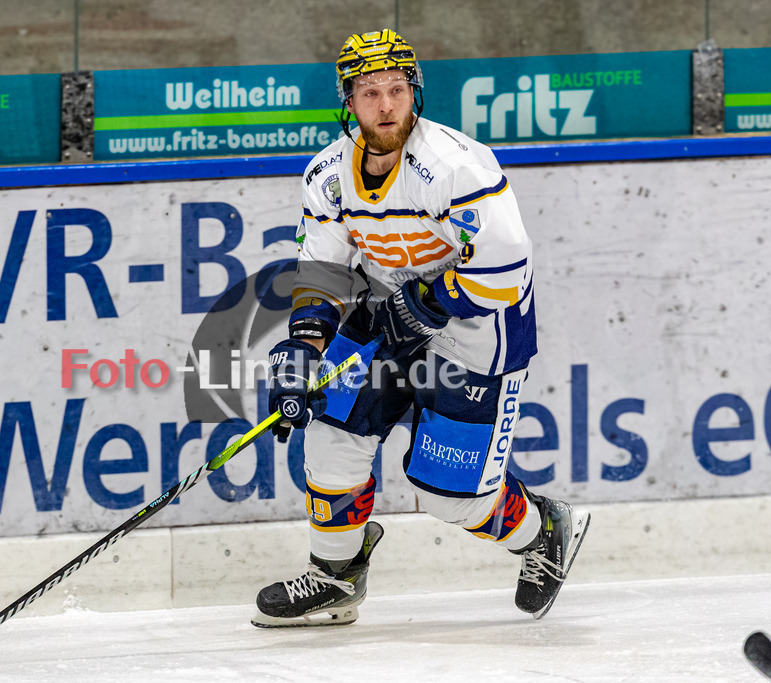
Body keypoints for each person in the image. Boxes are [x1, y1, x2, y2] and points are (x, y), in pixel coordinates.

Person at [253, 29, 590, 628]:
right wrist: (304, 346)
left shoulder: (456, 164)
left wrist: (428, 303)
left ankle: (543, 530)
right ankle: (336, 577)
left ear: (414, 93)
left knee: (452, 497)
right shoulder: (327, 174)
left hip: (478, 325)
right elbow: (325, 270)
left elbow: (506, 271)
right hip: (386, 309)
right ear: (348, 101)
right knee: (331, 433)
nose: (386, 105)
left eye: (397, 89)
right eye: (370, 92)